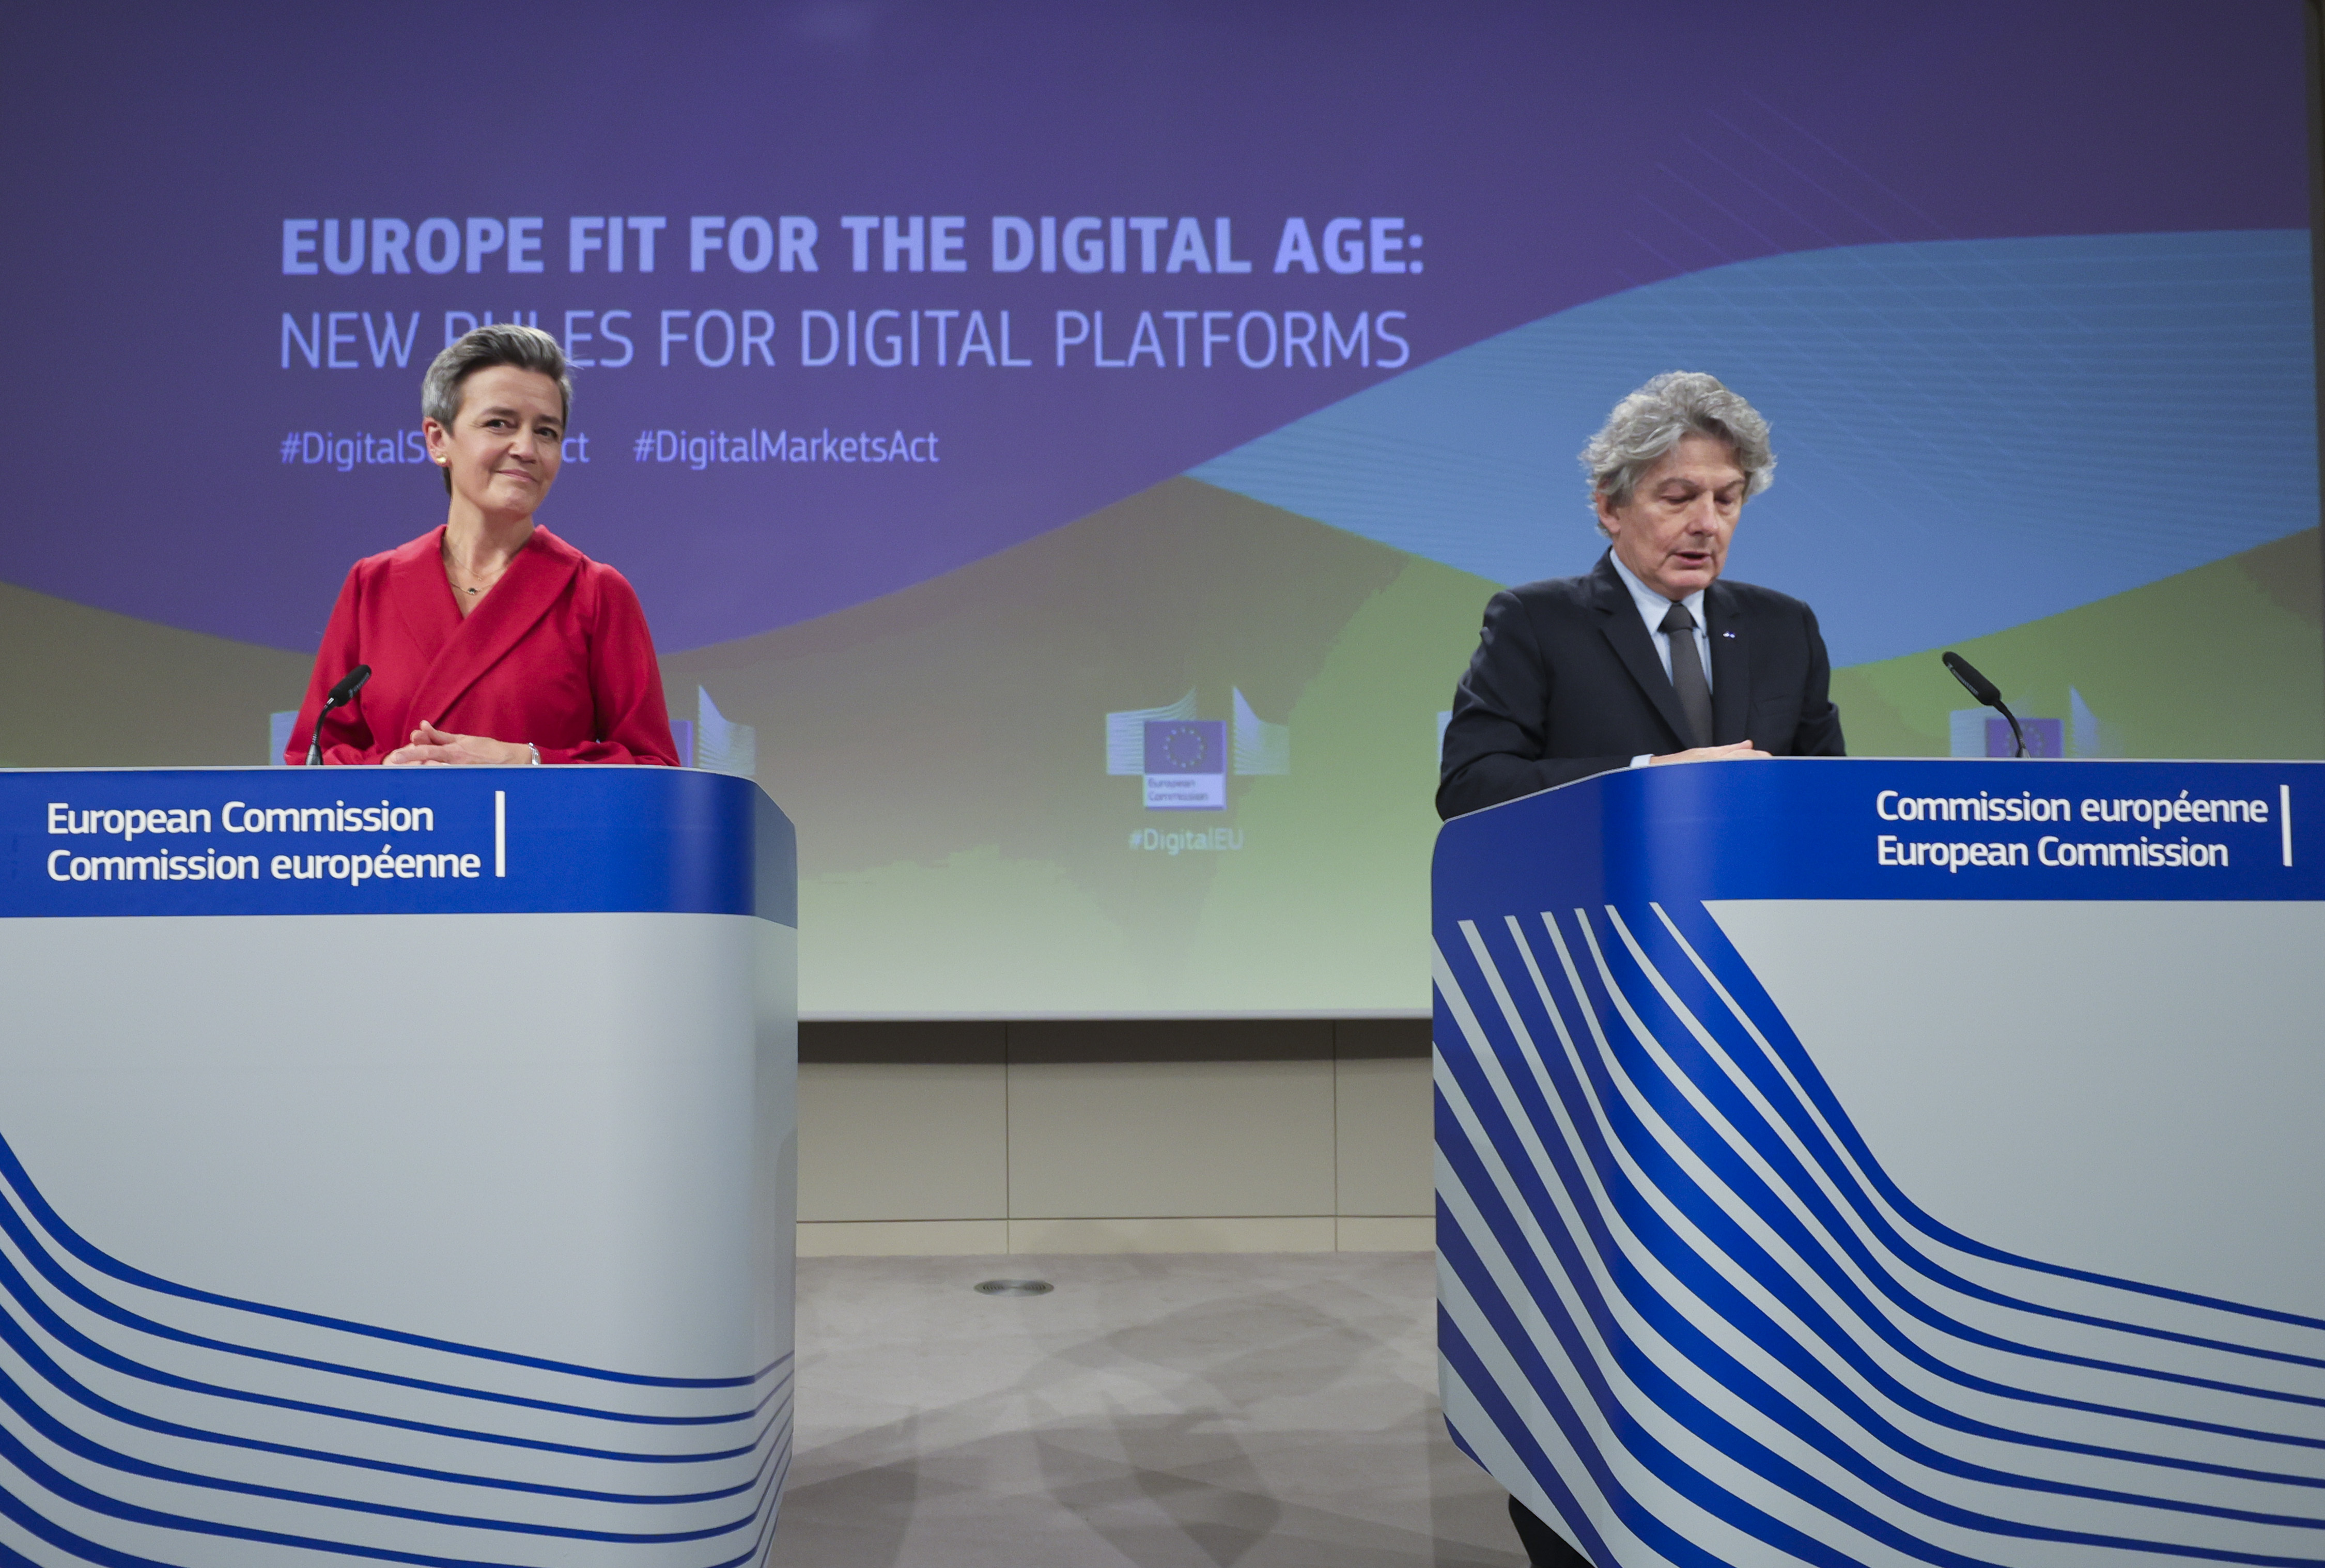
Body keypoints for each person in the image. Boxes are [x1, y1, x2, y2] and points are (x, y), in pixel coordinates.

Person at [1436, 371, 1842, 820]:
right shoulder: (1535, 622)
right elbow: (1471, 785)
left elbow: (1832, 798)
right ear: (1611, 507)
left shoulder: (1785, 627)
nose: (1707, 523)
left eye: (1727, 500)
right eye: (1678, 498)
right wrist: (1645, 777)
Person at [286, 324, 679, 767]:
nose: (527, 448)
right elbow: (312, 760)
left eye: (547, 431)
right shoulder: (372, 585)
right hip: (398, 837)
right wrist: (386, 777)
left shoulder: (596, 594)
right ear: (438, 439)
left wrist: (529, 763)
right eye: (500, 424)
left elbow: (654, 770)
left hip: (537, 839)